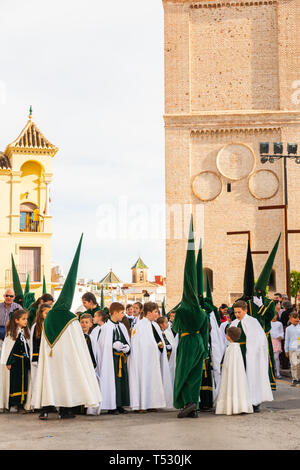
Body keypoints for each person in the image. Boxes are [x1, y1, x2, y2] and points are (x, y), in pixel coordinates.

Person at [31, 235, 101, 419]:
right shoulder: (70, 317)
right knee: (65, 381)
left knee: (49, 380)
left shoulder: (50, 315)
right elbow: (77, 341)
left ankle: (45, 409)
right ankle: (65, 409)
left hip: (50, 356)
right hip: (66, 357)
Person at [172, 220, 208, 419]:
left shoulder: (183, 310)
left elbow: (175, 329)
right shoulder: (201, 312)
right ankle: (193, 404)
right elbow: (205, 330)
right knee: (195, 375)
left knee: (183, 374)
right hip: (200, 342)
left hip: (187, 342)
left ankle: (187, 403)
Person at [129, 301, 172, 412]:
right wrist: (155, 346)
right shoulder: (140, 326)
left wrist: (160, 345)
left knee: (153, 380)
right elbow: (140, 344)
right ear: (148, 313)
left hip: (153, 359)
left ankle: (152, 403)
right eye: (155, 312)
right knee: (144, 379)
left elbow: (156, 340)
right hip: (143, 361)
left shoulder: (154, 325)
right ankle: (142, 404)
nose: (157, 314)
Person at [230, 300, 273, 412]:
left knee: (251, 376)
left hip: (250, 355)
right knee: (239, 376)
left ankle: (254, 401)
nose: (237, 315)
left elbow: (258, 340)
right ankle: (240, 401)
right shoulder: (234, 323)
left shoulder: (252, 322)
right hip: (238, 353)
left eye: (239, 312)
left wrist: (252, 353)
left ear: (245, 310)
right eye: (235, 312)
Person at [97, 302, 131, 415]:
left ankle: (120, 404)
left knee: (122, 382)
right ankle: (112, 405)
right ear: (115, 313)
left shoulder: (121, 326)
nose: (123, 315)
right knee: (113, 382)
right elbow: (102, 345)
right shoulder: (106, 328)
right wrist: (111, 346)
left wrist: (127, 347)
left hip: (121, 359)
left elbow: (126, 340)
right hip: (111, 361)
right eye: (121, 313)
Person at [215, 326, 253, 415]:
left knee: (230, 384)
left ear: (229, 336)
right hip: (237, 373)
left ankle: (230, 405)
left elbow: (228, 364)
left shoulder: (231, 348)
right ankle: (238, 405)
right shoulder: (237, 348)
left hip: (229, 373)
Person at [0, 309, 30, 413]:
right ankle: (14, 403)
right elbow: (9, 350)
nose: (26, 321)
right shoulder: (11, 333)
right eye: (23, 319)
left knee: (24, 382)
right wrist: (9, 362)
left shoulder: (25, 332)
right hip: (15, 362)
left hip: (24, 363)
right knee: (15, 383)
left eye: (26, 319)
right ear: (16, 320)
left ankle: (22, 403)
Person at [29, 303, 52, 419]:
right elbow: (34, 343)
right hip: (40, 359)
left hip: (51, 358)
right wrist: (35, 358)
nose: (48, 315)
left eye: (49, 313)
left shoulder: (52, 325)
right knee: (41, 382)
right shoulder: (36, 326)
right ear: (40, 314)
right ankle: (41, 406)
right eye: (46, 313)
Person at [284, 312, 300, 386]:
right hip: (292, 349)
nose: (296, 319)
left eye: (297, 317)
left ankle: (299, 378)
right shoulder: (288, 329)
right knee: (294, 364)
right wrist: (286, 350)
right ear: (290, 319)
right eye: (294, 318)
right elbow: (287, 339)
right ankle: (294, 379)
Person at [270, 312, 284, 379]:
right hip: (270, 341)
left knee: (276, 357)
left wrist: (281, 336)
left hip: (277, 341)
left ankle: (278, 373)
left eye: (275, 315)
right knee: (270, 358)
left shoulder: (279, 324)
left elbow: (281, 332)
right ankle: (272, 372)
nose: (274, 317)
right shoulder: (268, 323)